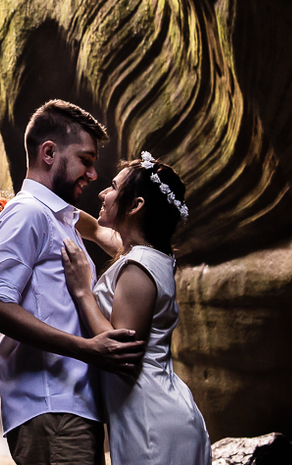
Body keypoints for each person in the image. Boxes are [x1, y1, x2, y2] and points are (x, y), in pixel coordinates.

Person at [0, 99, 144, 465]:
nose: (93, 173)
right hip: (50, 407)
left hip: (71, 406)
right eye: (85, 159)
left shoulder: (56, 216)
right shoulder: (28, 213)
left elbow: (103, 231)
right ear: (49, 153)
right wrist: (87, 349)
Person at [60, 152, 211, 465]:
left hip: (150, 421)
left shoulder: (138, 268)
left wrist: (82, 290)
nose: (102, 192)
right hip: (156, 410)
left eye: (113, 187)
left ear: (136, 205)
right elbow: (97, 232)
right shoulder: (147, 254)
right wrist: (31, 205)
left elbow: (120, 349)